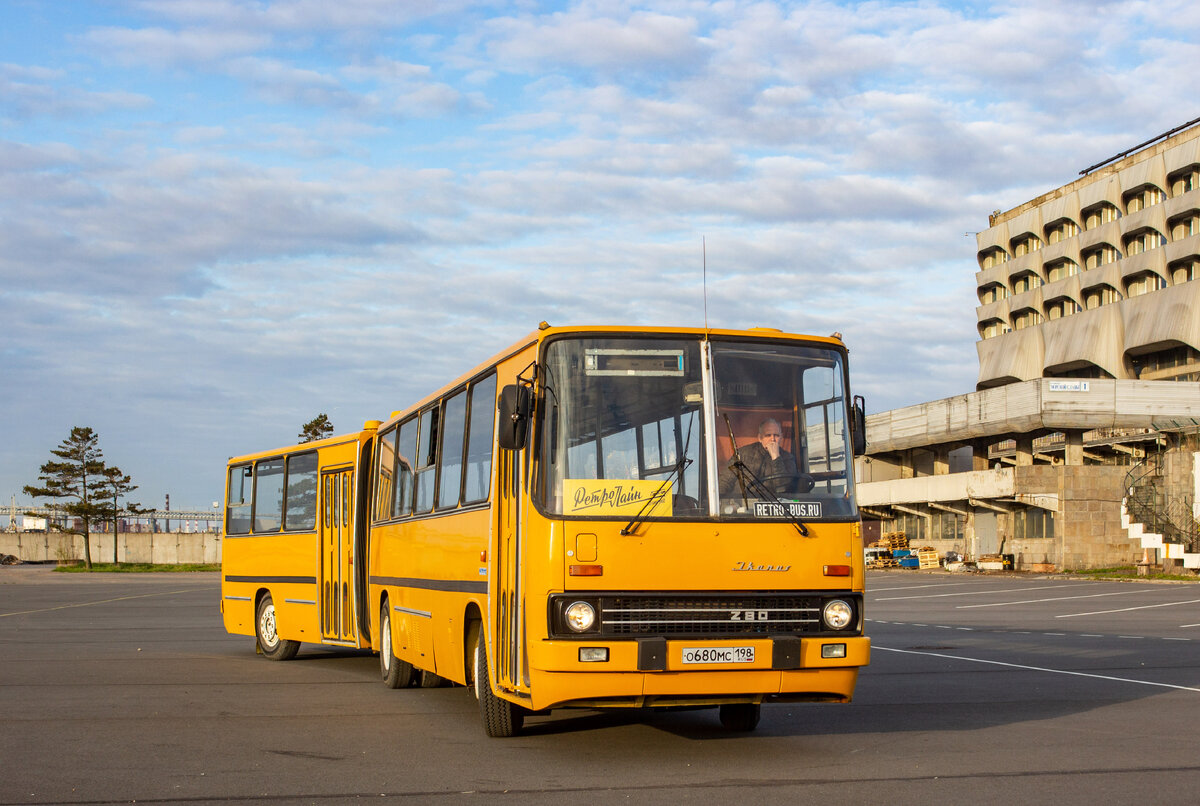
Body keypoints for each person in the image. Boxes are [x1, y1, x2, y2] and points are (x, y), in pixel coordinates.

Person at [720, 418, 807, 497]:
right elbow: (724, 481)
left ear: (781, 437)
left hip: (774, 504)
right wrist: (724, 504)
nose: (772, 439)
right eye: (768, 435)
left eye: (776, 435)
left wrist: (776, 458)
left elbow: (784, 488)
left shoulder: (788, 458)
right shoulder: (743, 454)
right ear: (760, 438)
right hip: (744, 504)